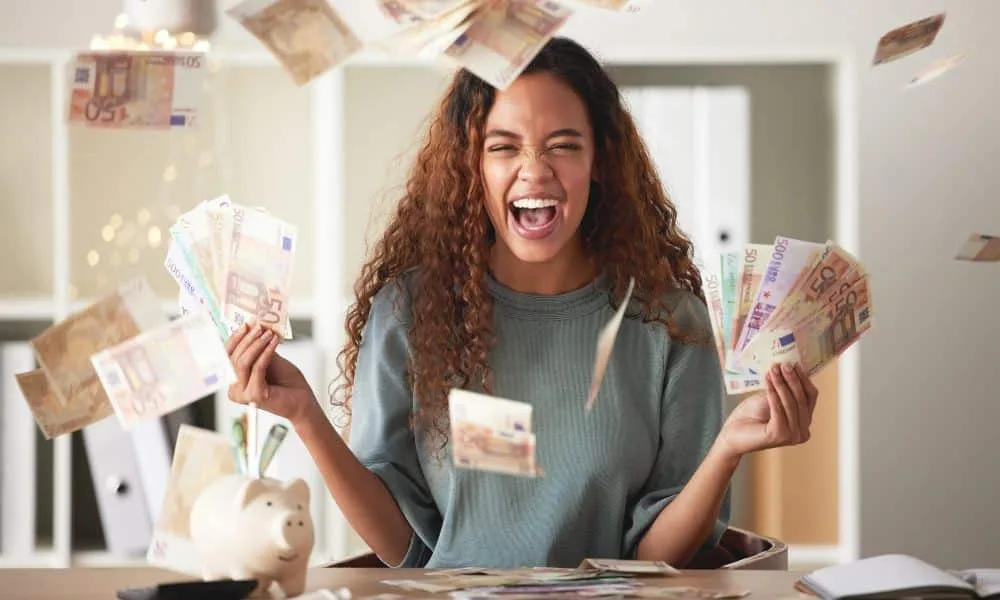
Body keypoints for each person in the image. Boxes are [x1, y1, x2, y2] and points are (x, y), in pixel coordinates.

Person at [224, 36, 819, 569]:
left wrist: (728, 450)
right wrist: (304, 412)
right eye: (503, 147)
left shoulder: (670, 324)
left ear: (600, 163)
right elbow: (403, 549)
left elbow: (654, 560)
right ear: (470, 167)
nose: (535, 172)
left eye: (563, 146)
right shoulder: (409, 311)